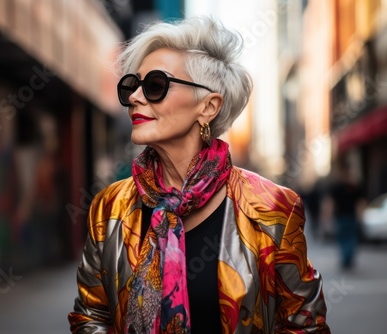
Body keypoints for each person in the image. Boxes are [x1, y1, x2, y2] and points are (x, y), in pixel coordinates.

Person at [68, 17, 330, 333]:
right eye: (131, 86)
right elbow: (90, 316)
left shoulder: (272, 208)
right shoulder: (109, 207)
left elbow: (304, 323)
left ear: (208, 107)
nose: (135, 97)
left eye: (154, 85)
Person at [328, 162, 366, 269]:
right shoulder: (352, 186)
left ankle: (346, 259)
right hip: (345, 216)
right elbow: (361, 203)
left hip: (346, 217)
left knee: (346, 238)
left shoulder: (344, 186)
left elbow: (331, 203)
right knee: (348, 238)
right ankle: (347, 258)